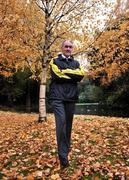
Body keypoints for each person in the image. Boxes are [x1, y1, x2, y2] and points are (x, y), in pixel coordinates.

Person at [49, 40, 85, 168]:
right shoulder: (54, 61)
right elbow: (57, 75)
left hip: (71, 98)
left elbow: (81, 75)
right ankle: (63, 156)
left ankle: (65, 150)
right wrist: (71, 74)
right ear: (61, 48)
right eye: (66, 46)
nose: (68, 48)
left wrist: (65, 71)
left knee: (68, 126)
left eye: (70, 47)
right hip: (57, 97)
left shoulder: (76, 63)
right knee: (62, 124)